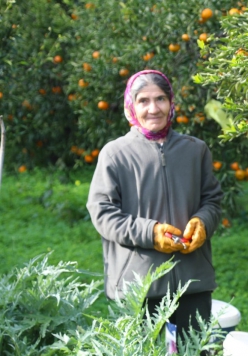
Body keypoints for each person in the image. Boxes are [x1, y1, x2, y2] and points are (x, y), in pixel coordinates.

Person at [87, 69, 223, 340]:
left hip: (191, 282)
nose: (153, 109)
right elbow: (102, 212)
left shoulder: (195, 150)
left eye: (160, 99)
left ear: (171, 103)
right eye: (143, 101)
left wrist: (203, 223)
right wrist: (150, 233)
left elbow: (212, 199)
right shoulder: (115, 154)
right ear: (130, 107)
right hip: (139, 284)